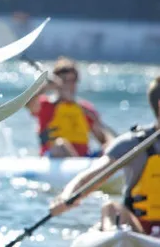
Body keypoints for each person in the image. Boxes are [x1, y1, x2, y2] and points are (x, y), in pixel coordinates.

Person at [50, 77, 160, 236]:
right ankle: (114, 243)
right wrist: (67, 196)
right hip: (139, 231)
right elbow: (89, 176)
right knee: (111, 209)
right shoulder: (133, 142)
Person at [26, 57, 114, 158]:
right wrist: (44, 87)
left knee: (112, 146)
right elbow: (28, 104)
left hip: (84, 157)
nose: (68, 85)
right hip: (54, 157)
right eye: (64, 80)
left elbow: (102, 136)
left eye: (72, 81)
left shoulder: (85, 109)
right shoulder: (46, 105)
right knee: (60, 144)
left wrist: (111, 143)